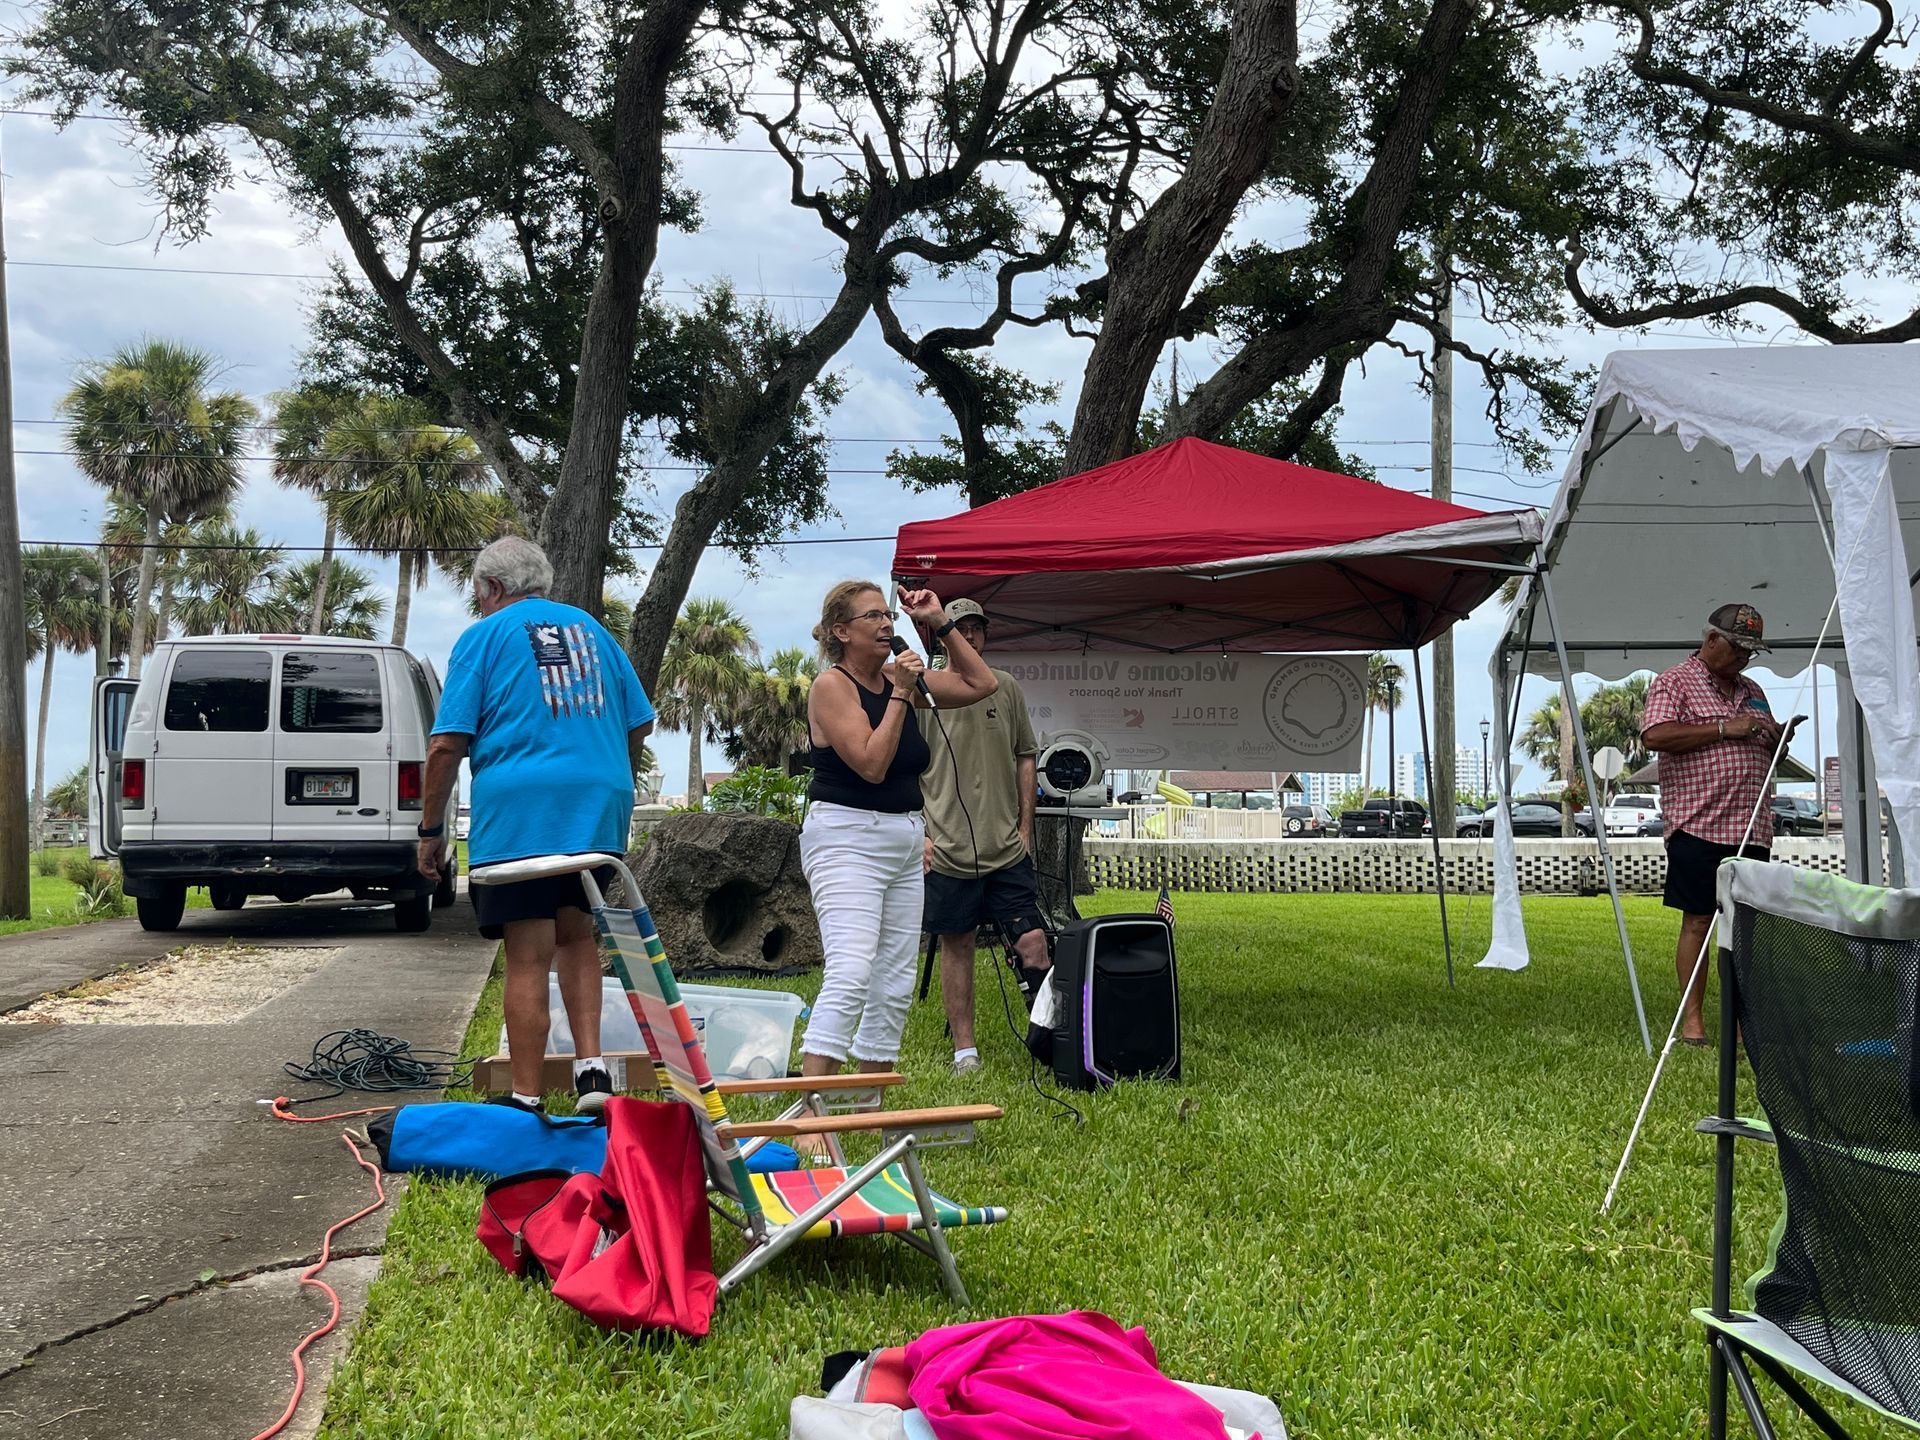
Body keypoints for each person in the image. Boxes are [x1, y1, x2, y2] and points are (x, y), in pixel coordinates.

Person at [416, 537, 656, 1113]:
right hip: (598, 805)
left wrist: (430, 832)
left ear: (492, 589)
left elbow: (447, 744)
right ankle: (592, 1074)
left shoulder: (483, 636)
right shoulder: (594, 631)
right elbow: (640, 725)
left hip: (522, 808)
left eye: (478, 593)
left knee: (527, 952)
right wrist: (595, 764)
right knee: (578, 936)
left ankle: (524, 1096)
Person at [798, 580, 997, 1084]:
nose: (887, 623)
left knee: (893, 981)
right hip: (846, 839)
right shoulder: (832, 687)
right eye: (873, 616)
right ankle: (813, 1109)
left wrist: (939, 623)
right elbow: (870, 763)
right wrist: (904, 694)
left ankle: (870, 1105)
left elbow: (980, 684)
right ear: (841, 631)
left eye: (889, 614)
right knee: (851, 973)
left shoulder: (896, 679)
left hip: (905, 842)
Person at [1641, 602, 1801, 1046]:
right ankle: (1693, 1022)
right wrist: (1723, 729)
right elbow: (1655, 736)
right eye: (1738, 649)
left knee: (1746, 929)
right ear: (1712, 640)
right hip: (1698, 826)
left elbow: (1766, 747)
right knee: (1698, 922)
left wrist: (1778, 739)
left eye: (1751, 652)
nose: (1744, 659)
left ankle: (1738, 1021)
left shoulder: (1752, 689)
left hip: (1752, 827)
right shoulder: (1674, 682)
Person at [917, 598, 1048, 1076]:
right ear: (940, 634)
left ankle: (1048, 1035)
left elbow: (1025, 755)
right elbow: (905, 764)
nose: (969, 637)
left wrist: (1026, 827)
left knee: (1033, 941)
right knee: (959, 943)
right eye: (958, 628)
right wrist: (922, 833)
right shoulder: (921, 691)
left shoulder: (1005, 688)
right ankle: (964, 1051)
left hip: (1007, 848)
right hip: (948, 848)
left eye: (976, 629)